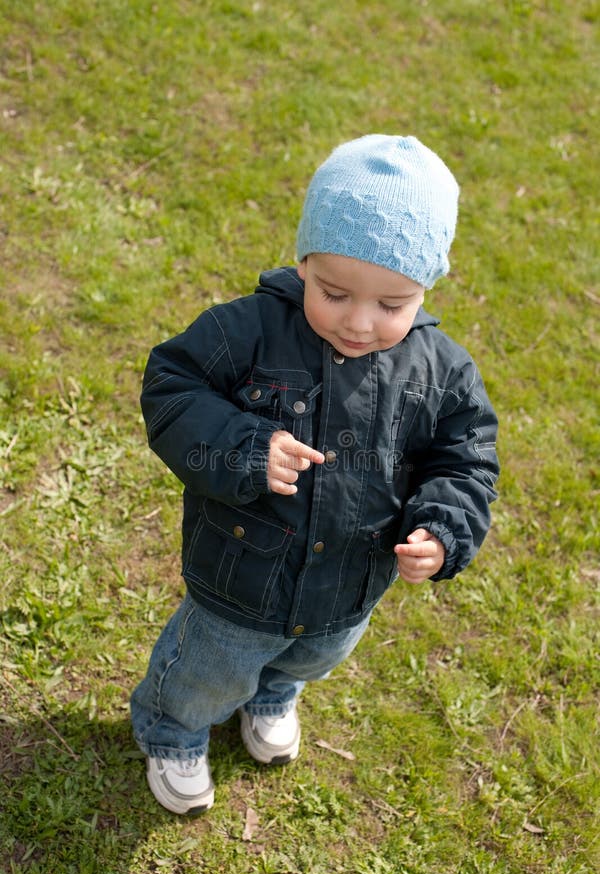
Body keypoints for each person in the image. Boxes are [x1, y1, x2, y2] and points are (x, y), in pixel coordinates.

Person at [130, 134, 499, 815]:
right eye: (334, 292)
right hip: (240, 575)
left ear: (426, 286)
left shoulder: (442, 372)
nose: (360, 322)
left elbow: (465, 456)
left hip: (349, 586)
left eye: (393, 304)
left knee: (309, 659)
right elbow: (171, 386)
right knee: (208, 670)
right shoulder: (246, 332)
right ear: (304, 261)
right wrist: (245, 446)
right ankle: (173, 730)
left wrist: (444, 528)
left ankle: (274, 695)